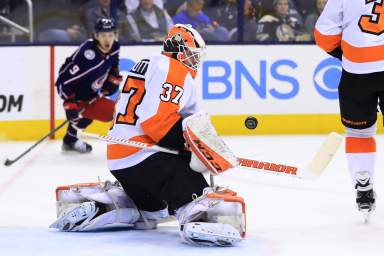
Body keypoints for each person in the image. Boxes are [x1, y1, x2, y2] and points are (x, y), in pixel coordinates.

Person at [50, 24, 246, 247]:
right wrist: (190, 146)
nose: (195, 61)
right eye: (192, 55)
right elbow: (156, 122)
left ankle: (130, 204)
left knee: (157, 209)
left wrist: (196, 143)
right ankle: (198, 211)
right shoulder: (174, 69)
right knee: (201, 201)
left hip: (120, 160)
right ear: (178, 50)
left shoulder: (148, 63)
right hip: (149, 159)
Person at [314, 0, 380, 221]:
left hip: (357, 71)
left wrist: (348, 55)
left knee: (359, 133)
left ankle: (363, 185)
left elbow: (323, 34)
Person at [55, 18, 122, 153]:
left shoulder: (115, 47)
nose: (107, 40)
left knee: (109, 113)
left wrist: (112, 81)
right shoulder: (87, 56)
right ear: (96, 36)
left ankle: (70, 140)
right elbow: (63, 82)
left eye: (110, 35)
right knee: (80, 120)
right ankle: (71, 140)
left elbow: (113, 65)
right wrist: (70, 105)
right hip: (76, 95)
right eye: (103, 35)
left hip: (92, 93)